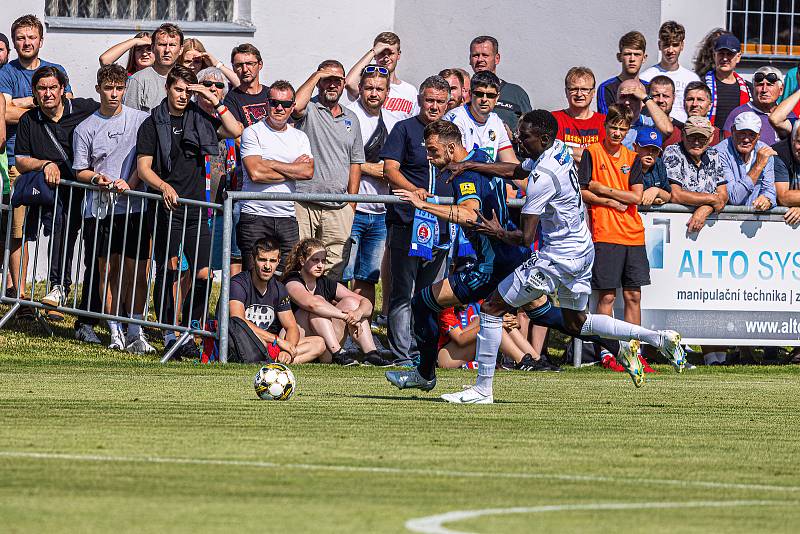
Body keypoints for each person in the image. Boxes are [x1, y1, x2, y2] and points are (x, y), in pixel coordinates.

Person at [387, 111, 685, 403]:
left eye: (525, 137)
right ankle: (657, 339)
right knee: (573, 322)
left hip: (548, 257)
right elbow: (516, 170)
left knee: (487, 308)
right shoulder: (556, 151)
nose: (519, 141)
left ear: (542, 137)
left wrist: (490, 228)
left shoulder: (542, 177)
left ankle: (476, 388)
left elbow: (521, 234)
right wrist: (469, 165)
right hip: (581, 250)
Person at [136, 65, 243, 357]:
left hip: (197, 209)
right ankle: (170, 331)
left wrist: (212, 98)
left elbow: (235, 130)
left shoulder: (202, 119)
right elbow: (143, 169)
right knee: (170, 269)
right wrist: (163, 187)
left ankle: (191, 329)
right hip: (166, 207)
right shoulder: (152, 124)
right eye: (179, 89)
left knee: (205, 273)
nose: (183, 96)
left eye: (188, 90)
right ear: (168, 89)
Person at [14, 66, 102, 341]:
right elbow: (21, 159)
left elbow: (112, 113)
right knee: (61, 236)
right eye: (42, 88)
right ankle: (58, 286)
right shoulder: (30, 120)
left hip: (90, 190)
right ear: (35, 93)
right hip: (58, 194)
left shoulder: (84, 108)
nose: (48, 93)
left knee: (95, 249)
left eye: (53, 87)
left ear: (63, 89)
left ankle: (93, 311)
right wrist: (45, 164)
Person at [72, 64, 153, 353]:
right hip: (100, 209)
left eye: (119, 88)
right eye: (108, 88)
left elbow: (146, 159)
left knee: (138, 270)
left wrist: (129, 182)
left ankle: (136, 327)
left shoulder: (141, 120)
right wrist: (97, 178)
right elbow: (79, 169)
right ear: (98, 90)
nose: (114, 94)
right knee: (108, 270)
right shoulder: (85, 127)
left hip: (134, 207)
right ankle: (114, 329)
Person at [0, 15, 74, 306]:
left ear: (41, 40)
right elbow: (3, 115)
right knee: (18, 234)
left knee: (60, 229)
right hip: (19, 163)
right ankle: (21, 298)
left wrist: (20, 103)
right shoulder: (6, 73)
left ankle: (57, 291)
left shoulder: (56, 70)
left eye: (31, 37)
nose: (26, 42)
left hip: (59, 166)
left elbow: (65, 110)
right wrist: (39, 104)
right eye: (20, 37)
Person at [379, 76, 451, 365]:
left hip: (442, 225)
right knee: (403, 292)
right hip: (408, 222)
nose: (433, 106)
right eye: (429, 100)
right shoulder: (405, 129)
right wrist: (414, 191)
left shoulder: (451, 132)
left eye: (439, 101)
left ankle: (424, 353)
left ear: (449, 103)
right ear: (420, 100)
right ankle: (402, 354)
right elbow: (390, 170)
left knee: (431, 294)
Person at [579, 105, 652, 370]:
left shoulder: (632, 158)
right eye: (614, 127)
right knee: (606, 297)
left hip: (633, 233)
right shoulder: (592, 152)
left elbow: (635, 196)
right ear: (605, 127)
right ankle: (608, 352)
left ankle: (635, 351)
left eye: (623, 128)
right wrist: (609, 201)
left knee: (634, 296)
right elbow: (584, 191)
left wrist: (604, 189)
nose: (618, 132)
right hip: (605, 232)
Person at [291, 60, 365, 281]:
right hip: (305, 201)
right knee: (300, 260)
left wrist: (351, 203)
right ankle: (299, 311)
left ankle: (327, 311)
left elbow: (355, 162)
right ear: (319, 82)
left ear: (344, 84)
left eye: (337, 81)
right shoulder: (310, 109)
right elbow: (294, 106)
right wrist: (316, 76)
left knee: (334, 266)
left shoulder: (351, 118)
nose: (332, 86)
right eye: (327, 80)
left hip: (339, 205)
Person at [238, 80, 312, 273]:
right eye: (274, 103)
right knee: (253, 274)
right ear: (267, 104)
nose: (280, 108)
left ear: (292, 107)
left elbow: (307, 172)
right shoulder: (252, 132)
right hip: (255, 215)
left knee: (288, 275)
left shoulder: (300, 137)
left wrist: (271, 163)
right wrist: (292, 169)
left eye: (286, 104)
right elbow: (255, 173)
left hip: (286, 216)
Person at [283, 238, 392, 367]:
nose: (320, 265)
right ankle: (338, 354)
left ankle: (371, 354)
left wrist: (357, 313)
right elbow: (312, 304)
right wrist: (346, 316)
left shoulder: (325, 281)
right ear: (302, 261)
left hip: (326, 345)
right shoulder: (292, 281)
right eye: (315, 260)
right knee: (319, 307)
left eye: (323, 261)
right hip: (304, 344)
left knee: (352, 302)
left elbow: (366, 303)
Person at [343, 66, 395, 309]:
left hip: (381, 211)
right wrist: (376, 169)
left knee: (368, 276)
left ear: (387, 92)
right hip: (351, 208)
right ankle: (338, 332)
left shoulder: (395, 121)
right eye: (369, 88)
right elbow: (342, 159)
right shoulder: (348, 116)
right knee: (343, 274)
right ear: (360, 89)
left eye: (380, 89)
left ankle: (363, 330)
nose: (374, 93)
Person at [227, 238, 326, 364]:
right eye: (262, 260)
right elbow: (238, 321)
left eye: (272, 261)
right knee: (259, 340)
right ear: (253, 259)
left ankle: (277, 361)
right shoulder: (238, 283)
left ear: (278, 261)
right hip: (244, 341)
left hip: (270, 345)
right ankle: (274, 362)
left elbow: (291, 327)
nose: (267, 266)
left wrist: (287, 349)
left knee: (319, 343)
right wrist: (277, 341)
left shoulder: (279, 288)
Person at [195, 67, 241, 276]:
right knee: (197, 268)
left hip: (223, 205)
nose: (213, 88)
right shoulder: (190, 116)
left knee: (216, 266)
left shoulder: (227, 119)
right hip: (196, 205)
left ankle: (213, 309)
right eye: (207, 84)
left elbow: (236, 132)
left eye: (219, 85)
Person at [663, 116, 728, 234]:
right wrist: (711, 199)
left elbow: (723, 195)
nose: (697, 142)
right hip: (677, 225)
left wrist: (705, 209)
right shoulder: (673, 151)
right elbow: (676, 195)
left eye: (702, 138)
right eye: (692, 137)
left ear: (710, 138)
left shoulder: (713, 154)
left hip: (708, 226)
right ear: (683, 135)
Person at [444, 71, 517, 164]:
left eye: (490, 95)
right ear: (470, 94)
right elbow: (460, 164)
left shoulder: (496, 121)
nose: (484, 99)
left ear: (497, 98)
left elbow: (511, 162)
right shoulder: (456, 119)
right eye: (479, 94)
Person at [345, 32, 418, 123]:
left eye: (390, 53)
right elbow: (349, 83)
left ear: (398, 55)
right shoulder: (368, 86)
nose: (386, 58)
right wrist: (373, 52)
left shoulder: (410, 91)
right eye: (381, 53)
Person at [468, 35, 532, 132]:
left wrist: (512, 138)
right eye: (475, 55)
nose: (480, 59)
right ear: (470, 59)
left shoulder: (516, 93)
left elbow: (530, 131)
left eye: (485, 55)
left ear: (497, 58)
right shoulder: (463, 92)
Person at [640, 21, 700, 123]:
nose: (670, 50)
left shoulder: (692, 79)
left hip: (683, 133)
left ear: (682, 46)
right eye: (666, 45)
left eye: (675, 45)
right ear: (659, 45)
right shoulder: (646, 77)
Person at [715, 111, 776, 211]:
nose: (746, 139)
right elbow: (734, 198)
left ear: (759, 135)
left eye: (752, 134)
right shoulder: (719, 153)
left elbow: (769, 190)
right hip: (726, 219)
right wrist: (758, 166)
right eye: (742, 133)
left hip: (755, 217)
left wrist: (766, 200)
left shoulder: (765, 150)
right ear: (732, 130)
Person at [124, 23, 182, 112]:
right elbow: (130, 120)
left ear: (181, 49)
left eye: (172, 45)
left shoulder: (187, 79)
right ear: (153, 47)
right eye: (162, 45)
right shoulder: (138, 80)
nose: (167, 50)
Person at [552, 66, 605, 164]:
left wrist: (567, 150)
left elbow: (603, 158)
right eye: (574, 89)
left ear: (593, 93)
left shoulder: (604, 122)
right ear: (566, 92)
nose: (579, 94)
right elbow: (554, 154)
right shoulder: (554, 119)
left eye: (585, 89)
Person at [723, 66, 784, 146]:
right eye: (760, 85)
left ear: (781, 90)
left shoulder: (788, 115)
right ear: (753, 88)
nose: (764, 90)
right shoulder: (739, 114)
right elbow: (726, 147)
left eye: (769, 85)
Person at [702, 34, 752, 129]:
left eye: (729, 54)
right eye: (721, 53)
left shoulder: (749, 89)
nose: (725, 59)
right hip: (708, 139)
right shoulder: (702, 85)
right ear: (714, 55)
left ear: (738, 57)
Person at [597, 31, 648, 114]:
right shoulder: (607, 88)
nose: (632, 59)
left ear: (644, 58)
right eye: (627, 54)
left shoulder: (650, 88)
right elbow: (607, 121)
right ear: (619, 57)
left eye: (637, 54)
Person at [615, 78, 673, 148]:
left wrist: (646, 98)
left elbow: (668, 129)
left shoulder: (650, 124)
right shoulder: (608, 123)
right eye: (623, 97)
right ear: (617, 100)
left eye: (634, 98)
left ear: (642, 102)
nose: (627, 102)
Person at [663, 81, 721, 147]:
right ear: (684, 104)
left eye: (700, 99)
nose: (694, 104)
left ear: (710, 105)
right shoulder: (671, 135)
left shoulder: (721, 137)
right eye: (690, 99)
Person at [223, 44, 269, 128]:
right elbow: (237, 134)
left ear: (260, 65)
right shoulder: (231, 99)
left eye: (249, 64)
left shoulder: (271, 94)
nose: (245, 69)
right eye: (239, 65)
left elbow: (288, 125)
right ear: (233, 68)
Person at [634, 127, 671, 207]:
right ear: (635, 147)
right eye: (646, 148)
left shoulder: (658, 163)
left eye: (655, 150)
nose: (650, 153)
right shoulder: (628, 163)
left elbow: (668, 196)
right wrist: (653, 200)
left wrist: (656, 191)